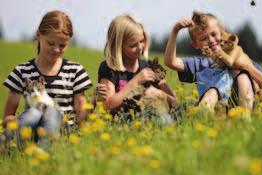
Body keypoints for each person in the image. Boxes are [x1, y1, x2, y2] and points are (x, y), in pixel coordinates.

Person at [2, 10, 92, 145]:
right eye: (51, 43)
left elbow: (81, 115)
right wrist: (14, 121)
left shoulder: (75, 71)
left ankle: (44, 151)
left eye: (62, 45)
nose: (56, 49)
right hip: (30, 131)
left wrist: (95, 102)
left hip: (62, 134)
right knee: (34, 113)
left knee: (52, 112)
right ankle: (7, 146)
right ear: (39, 35)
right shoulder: (22, 71)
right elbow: (8, 117)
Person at [164, 12, 262, 113]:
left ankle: (245, 118)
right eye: (203, 38)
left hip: (244, 108)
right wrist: (175, 31)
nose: (211, 40)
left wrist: (244, 66)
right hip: (215, 112)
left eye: (214, 34)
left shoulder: (239, 57)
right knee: (207, 95)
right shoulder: (200, 64)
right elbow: (170, 62)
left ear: (221, 31)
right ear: (195, 44)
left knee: (243, 78)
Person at [96, 14, 175, 121]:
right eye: (133, 45)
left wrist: (159, 94)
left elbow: (175, 103)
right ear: (118, 46)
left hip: (155, 115)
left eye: (142, 41)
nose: (140, 48)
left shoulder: (154, 66)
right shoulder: (108, 68)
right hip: (126, 121)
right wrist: (136, 82)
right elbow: (108, 105)